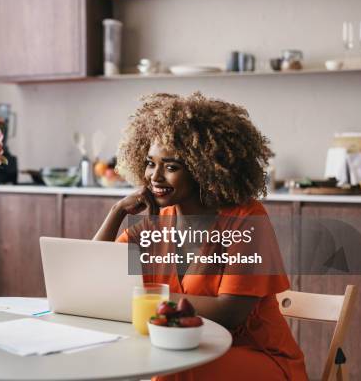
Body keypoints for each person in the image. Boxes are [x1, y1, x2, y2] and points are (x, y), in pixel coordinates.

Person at [94, 93, 307, 381]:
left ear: (203, 169)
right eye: (149, 163)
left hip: (258, 357)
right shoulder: (156, 224)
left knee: (171, 371)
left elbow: (228, 313)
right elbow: (91, 274)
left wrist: (144, 298)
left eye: (171, 167)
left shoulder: (246, 219)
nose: (154, 177)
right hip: (182, 349)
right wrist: (117, 211)